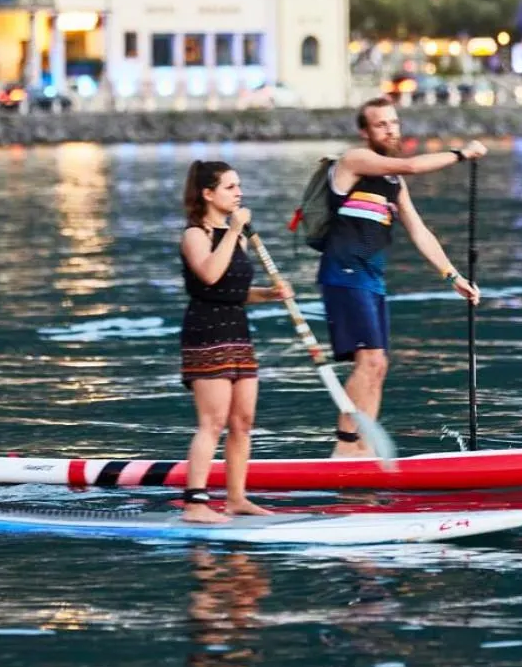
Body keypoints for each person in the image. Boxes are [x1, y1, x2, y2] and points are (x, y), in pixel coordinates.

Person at [320, 96, 486, 457]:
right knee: (371, 361)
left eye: (394, 122)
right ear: (365, 132)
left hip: (372, 279)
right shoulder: (354, 161)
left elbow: (420, 231)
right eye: (381, 124)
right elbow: (412, 164)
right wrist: (461, 154)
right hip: (344, 274)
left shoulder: (393, 182)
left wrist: (452, 276)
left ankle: (364, 448)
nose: (390, 128)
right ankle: (345, 449)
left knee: (379, 366)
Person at [178, 160, 292, 523]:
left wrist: (268, 294)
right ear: (208, 194)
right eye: (230, 187)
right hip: (206, 332)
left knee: (243, 421)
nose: (239, 192)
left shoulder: (237, 236)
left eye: (239, 185)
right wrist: (233, 231)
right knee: (212, 422)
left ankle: (236, 498)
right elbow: (210, 276)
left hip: (237, 331)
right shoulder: (195, 235)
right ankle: (195, 504)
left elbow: (235, 292)